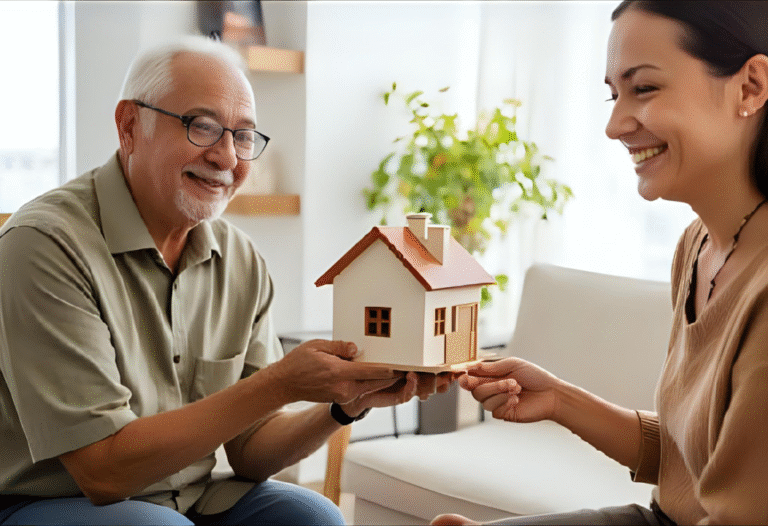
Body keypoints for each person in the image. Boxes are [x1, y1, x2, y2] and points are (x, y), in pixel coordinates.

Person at [0, 36, 449, 525]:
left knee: (311, 517)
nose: (228, 158)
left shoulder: (242, 260)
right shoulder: (43, 245)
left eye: (242, 136)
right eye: (203, 126)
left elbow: (251, 452)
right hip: (53, 503)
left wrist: (343, 407)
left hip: (195, 499)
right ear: (130, 126)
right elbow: (103, 471)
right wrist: (280, 384)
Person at [432, 1, 768, 525]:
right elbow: (688, 462)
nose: (614, 125)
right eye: (614, 94)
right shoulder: (697, 246)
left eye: (645, 88)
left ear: (750, 87)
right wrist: (560, 400)